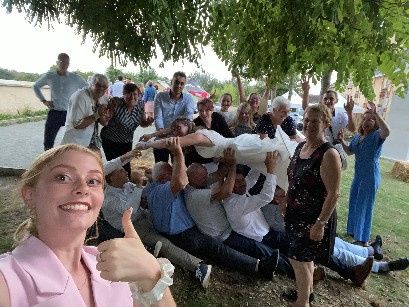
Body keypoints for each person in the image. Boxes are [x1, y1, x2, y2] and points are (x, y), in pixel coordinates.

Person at [0, 144, 175, 306]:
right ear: (29, 194)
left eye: (93, 181)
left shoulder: (114, 265)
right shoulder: (7, 279)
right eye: (63, 177)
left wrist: (152, 275)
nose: (83, 188)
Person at [146, 137, 284, 279]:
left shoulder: (192, 183)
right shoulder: (194, 195)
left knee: (252, 247)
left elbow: (217, 175)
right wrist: (232, 165)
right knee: (234, 251)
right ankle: (267, 267)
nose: (207, 180)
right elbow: (226, 191)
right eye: (204, 178)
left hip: (222, 229)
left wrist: (224, 161)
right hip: (215, 234)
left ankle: (269, 264)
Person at [101, 150, 212, 288]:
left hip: (143, 216)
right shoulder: (107, 198)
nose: (125, 172)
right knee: (164, 243)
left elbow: (142, 199)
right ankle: (198, 266)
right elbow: (130, 209)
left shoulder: (126, 186)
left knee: (166, 227)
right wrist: (139, 185)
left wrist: (150, 181)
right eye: (120, 171)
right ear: (110, 179)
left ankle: (154, 249)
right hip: (132, 225)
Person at [285, 103, 341, 306]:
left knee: (299, 260)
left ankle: (302, 303)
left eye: (314, 121)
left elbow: (334, 194)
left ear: (325, 123)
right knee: (302, 259)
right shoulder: (301, 146)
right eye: (306, 120)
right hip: (294, 214)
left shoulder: (329, 154)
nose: (308, 124)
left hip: (312, 218)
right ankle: (305, 294)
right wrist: (285, 201)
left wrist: (320, 223)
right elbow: (292, 178)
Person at [135, 120, 298, 191]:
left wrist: (147, 145)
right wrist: (152, 135)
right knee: (273, 165)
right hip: (237, 153)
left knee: (276, 156)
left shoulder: (199, 135)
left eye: (179, 128)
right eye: (174, 129)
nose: (176, 132)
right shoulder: (198, 138)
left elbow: (172, 141)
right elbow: (169, 134)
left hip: (239, 148)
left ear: (188, 125)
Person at [339, 102, 390, 245]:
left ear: (375, 123)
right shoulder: (357, 137)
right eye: (365, 118)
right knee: (354, 202)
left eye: (371, 119)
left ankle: (362, 238)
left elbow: (387, 131)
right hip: (358, 176)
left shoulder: (377, 136)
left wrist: (377, 113)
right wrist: (342, 141)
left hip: (370, 177)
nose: (366, 121)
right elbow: (349, 152)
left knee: (364, 205)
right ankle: (353, 231)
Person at [33, 53, 88, 150]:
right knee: (48, 141)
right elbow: (36, 86)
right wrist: (44, 100)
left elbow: (88, 89)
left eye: (67, 62)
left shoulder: (75, 77)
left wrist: (81, 103)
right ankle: (48, 161)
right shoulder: (50, 76)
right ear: (57, 62)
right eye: (62, 61)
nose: (65, 64)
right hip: (55, 112)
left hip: (71, 113)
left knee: (73, 141)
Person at [100, 82, 153, 177]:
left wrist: (149, 122)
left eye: (135, 94)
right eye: (129, 93)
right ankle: (111, 188)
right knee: (115, 168)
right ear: (124, 94)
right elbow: (105, 121)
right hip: (110, 141)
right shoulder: (116, 102)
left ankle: (125, 189)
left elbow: (142, 123)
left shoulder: (140, 104)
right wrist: (105, 113)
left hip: (127, 142)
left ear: (139, 95)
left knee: (126, 167)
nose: (132, 97)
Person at [61, 74, 112, 150]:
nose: (101, 88)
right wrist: (97, 114)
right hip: (75, 142)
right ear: (91, 84)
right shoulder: (80, 97)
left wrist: (110, 110)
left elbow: (104, 122)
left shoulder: (103, 97)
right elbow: (77, 125)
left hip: (91, 141)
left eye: (104, 86)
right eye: (98, 85)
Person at [153, 71, 195, 162]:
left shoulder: (188, 99)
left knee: (178, 170)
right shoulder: (160, 96)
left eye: (182, 83)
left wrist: (176, 134)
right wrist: (161, 131)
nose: (179, 85)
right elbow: (158, 117)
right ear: (171, 81)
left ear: (184, 85)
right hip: (162, 137)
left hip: (179, 140)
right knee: (160, 170)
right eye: (176, 82)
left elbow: (188, 119)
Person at [185, 98, 233, 165]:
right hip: (203, 158)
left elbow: (228, 136)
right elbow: (194, 149)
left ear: (212, 110)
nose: (204, 113)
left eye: (207, 110)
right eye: (201, 111)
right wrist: (212, 158)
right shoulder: (195, 123)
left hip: (222, 153)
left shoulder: (218, 118)